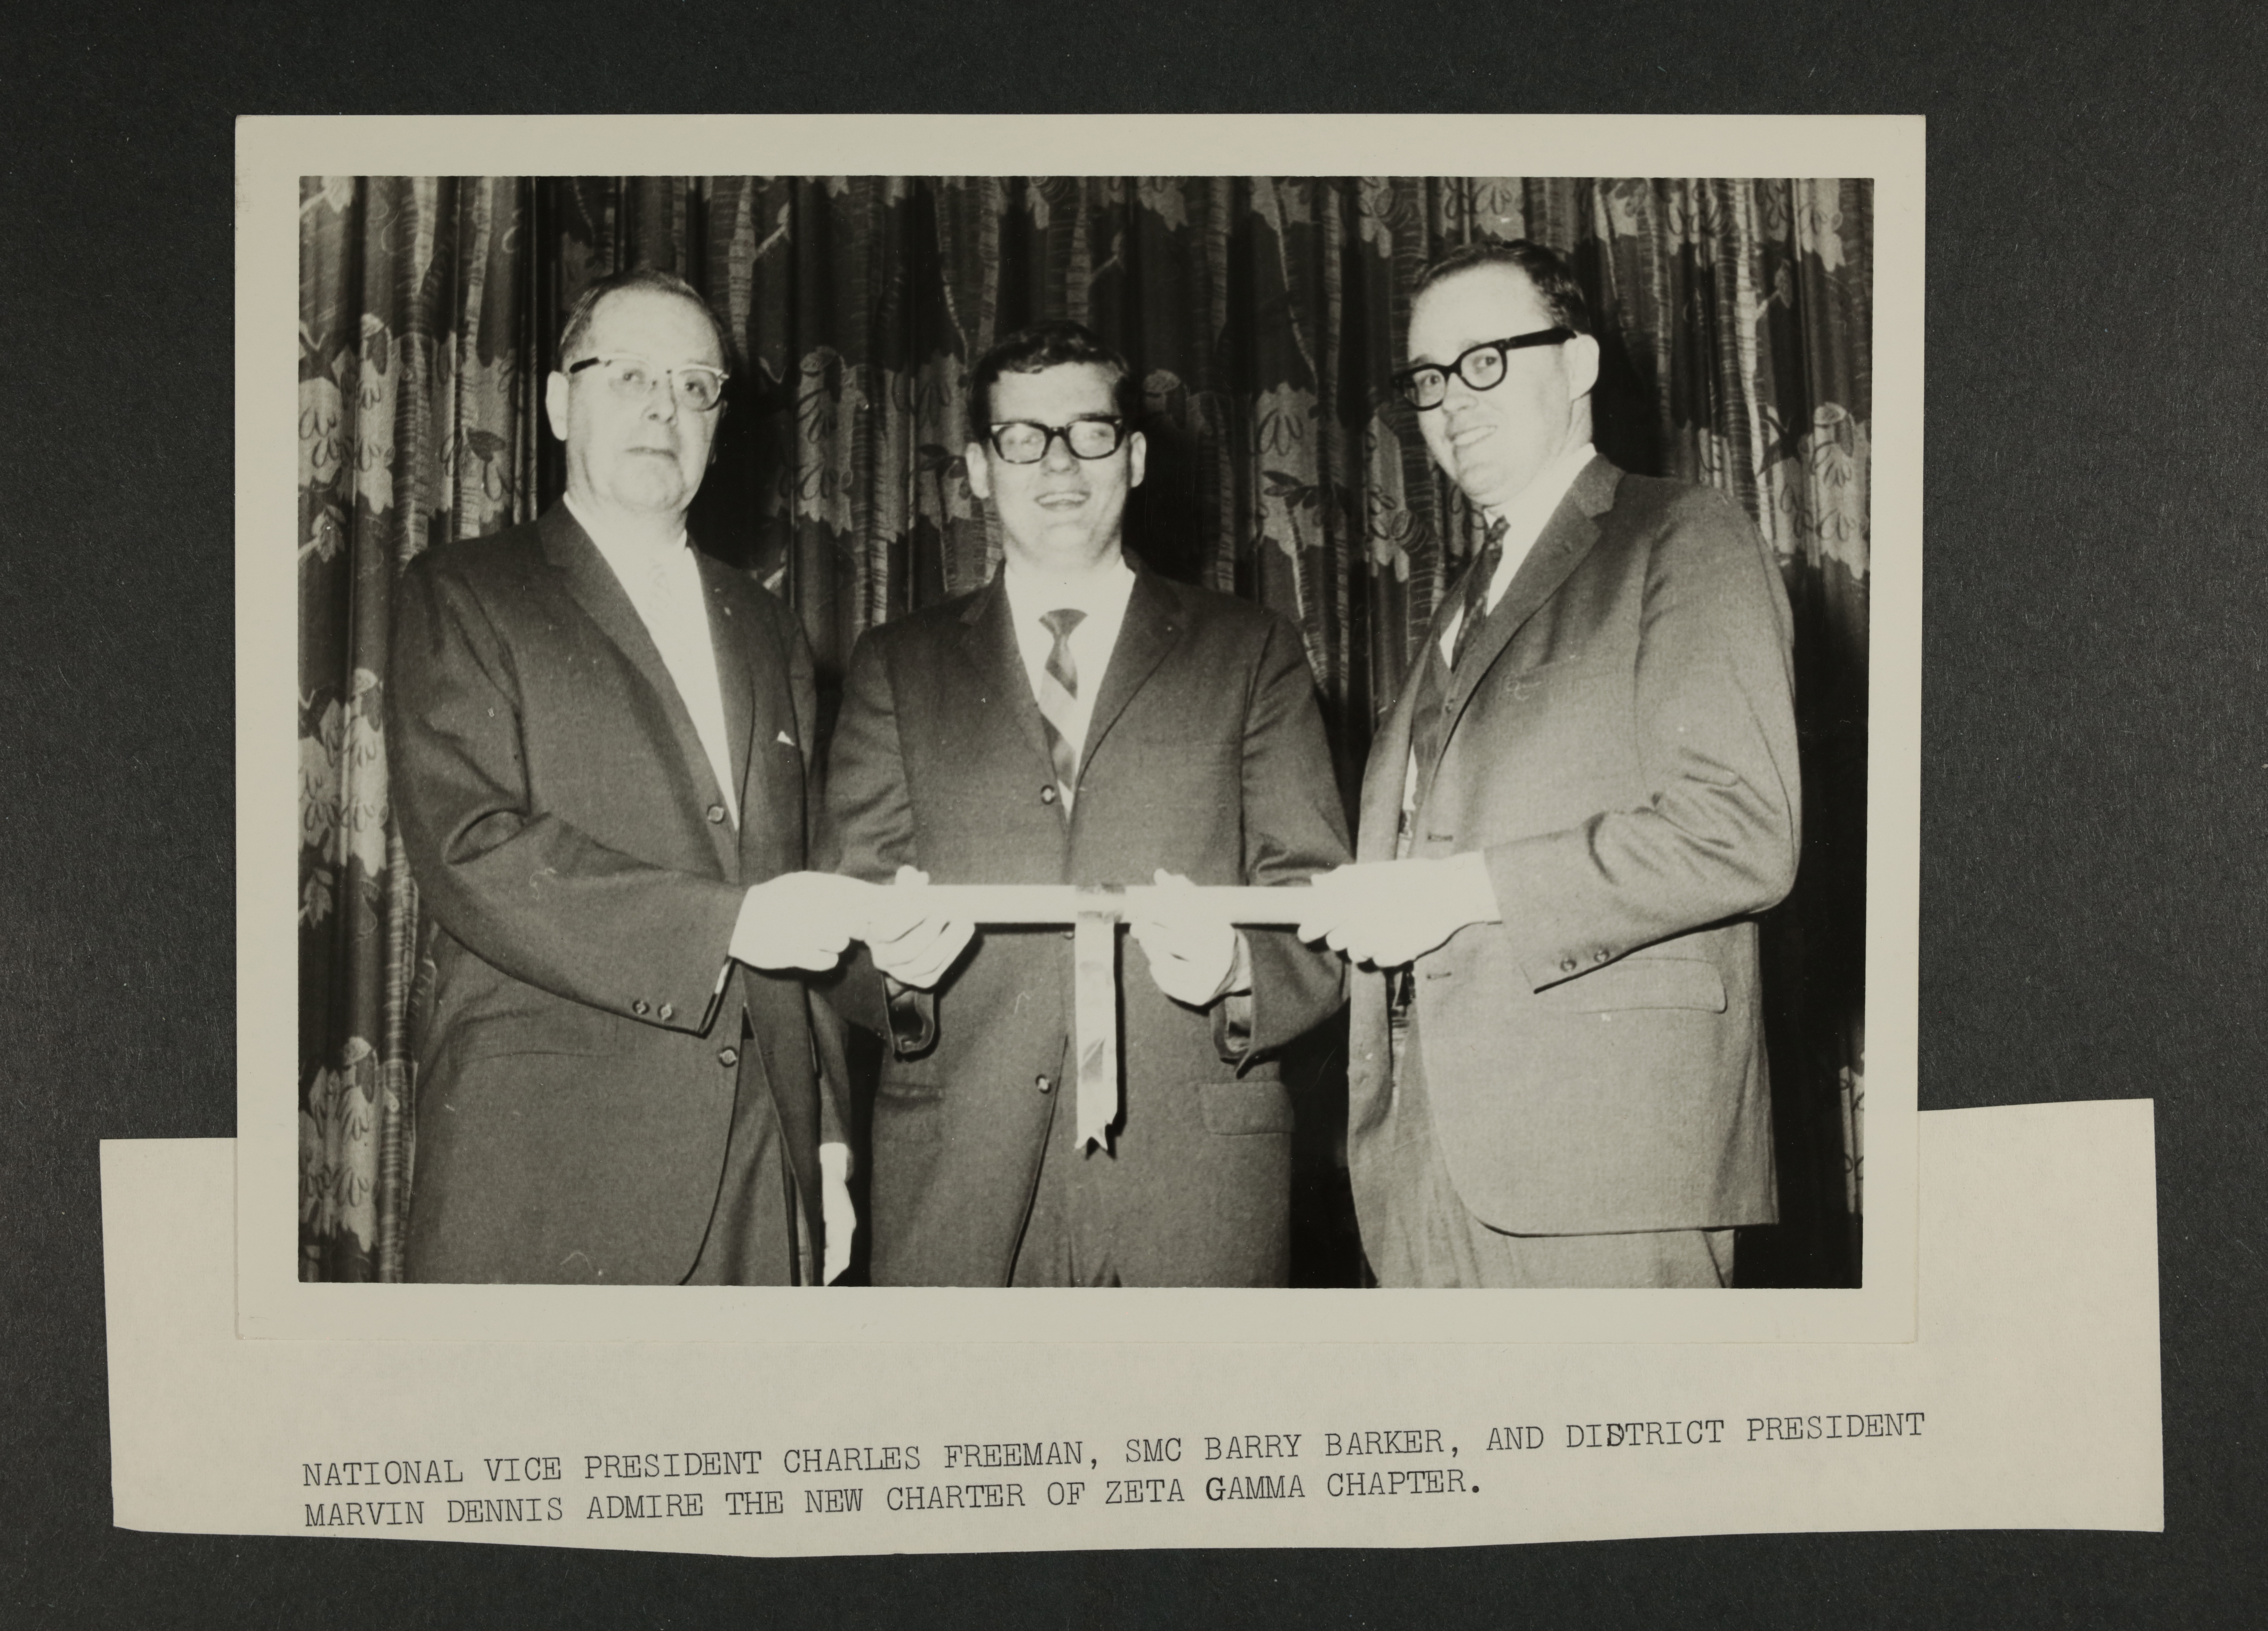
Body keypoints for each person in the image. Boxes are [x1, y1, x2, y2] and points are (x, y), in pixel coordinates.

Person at [1298, 240, 1801, 1288]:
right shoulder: (1464, 598)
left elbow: (1742, 831)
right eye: (1427, 377)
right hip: (1424, 1162)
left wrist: (1457, 891)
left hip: (1607, 1162)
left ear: (1577, 364)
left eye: (1485, 361)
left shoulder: (1681, 534)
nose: (1451, 400)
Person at [818, 320, 1351, 1287]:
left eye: (1089, 433)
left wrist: (1237, 967)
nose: (1058, 464)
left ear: (1134, 457)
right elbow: (843, 931)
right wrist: (891, 969)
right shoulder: (896, 665)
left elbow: (1317, 906)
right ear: (978, 470)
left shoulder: (1250, 650)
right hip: (959, 1182)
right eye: (1022, 438)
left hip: (1195, 1190)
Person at [389, 268, 885, 1286]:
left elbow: (797, 883)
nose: (665, 407)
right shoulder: (466, 592)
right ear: (558, 402)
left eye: (695, 385)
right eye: (629, 376)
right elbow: (471, 849)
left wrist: (829, 1136)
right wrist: (725, 925)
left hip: (763, 1156)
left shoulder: (766, 625)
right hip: (547, 1164)